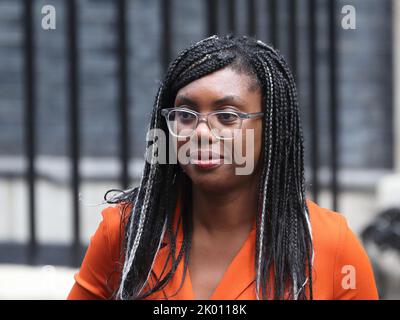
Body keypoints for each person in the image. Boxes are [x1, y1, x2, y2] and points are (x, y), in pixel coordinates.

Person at [67, 34, 378, 300]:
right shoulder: (128, 232)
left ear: (271, 127)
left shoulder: (330, 245)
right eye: (186, 115)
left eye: (228, 116)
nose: (201, 132)